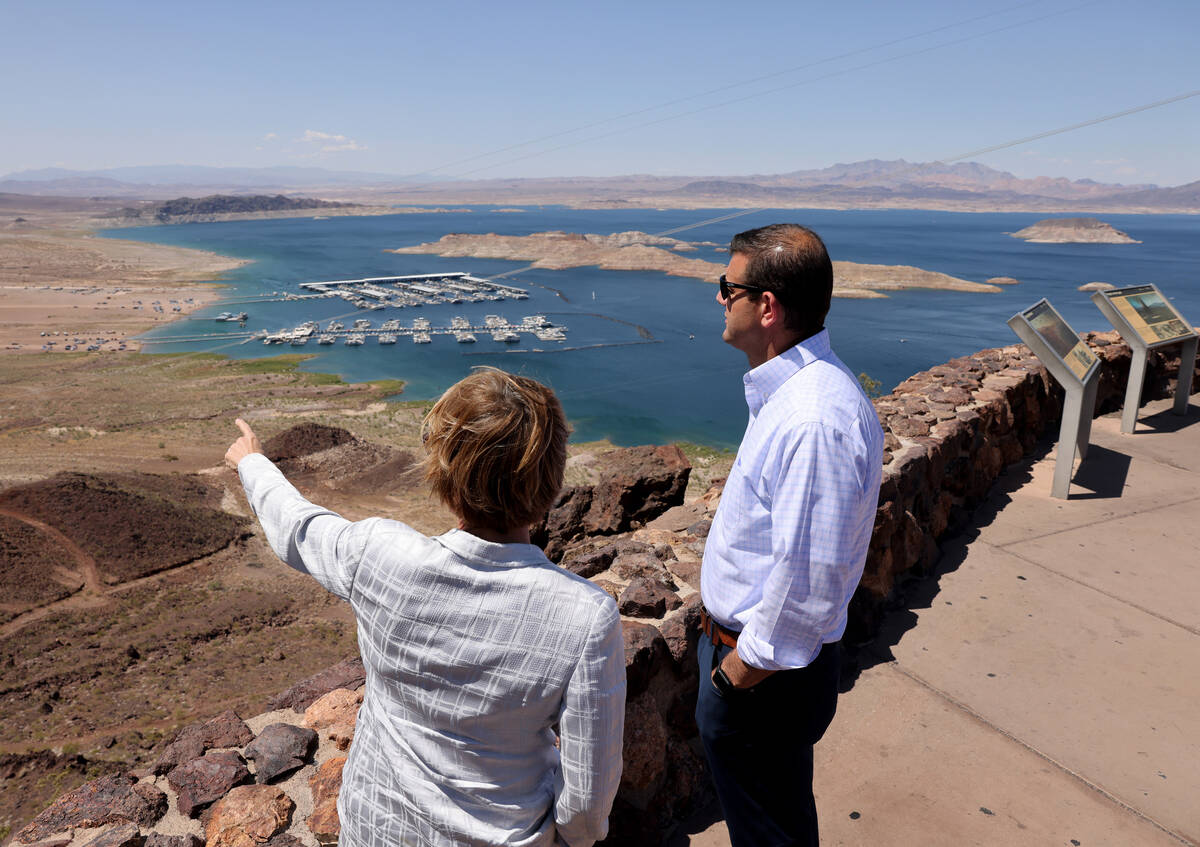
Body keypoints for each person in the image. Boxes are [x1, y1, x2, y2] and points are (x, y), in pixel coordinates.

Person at [225, 368, 625, 847]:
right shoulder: (584, 616)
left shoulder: (381, 554)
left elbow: (299, 529)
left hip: (376, 830)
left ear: (444, 472)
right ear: (552, 478)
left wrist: (253, 464)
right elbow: (585, 802)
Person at [696, 224, 884, 846]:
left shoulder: (812, 419)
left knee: (770, 833)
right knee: (772, 821)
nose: (720, 298)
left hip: (763, 682)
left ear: (767, 307)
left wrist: (732, 678)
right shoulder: (798, 394)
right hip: (761, 672)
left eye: (729, 287)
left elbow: (808, 586)